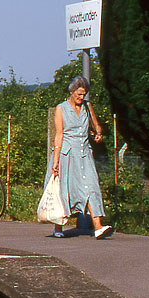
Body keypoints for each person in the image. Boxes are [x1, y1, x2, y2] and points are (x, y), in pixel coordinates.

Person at [46, 76, 113, 239]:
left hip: (85, 154)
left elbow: (96, 125)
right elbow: (59, 135)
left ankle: (97, 227)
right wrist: (55, 162)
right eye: (79, 94)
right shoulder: (61, 108)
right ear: (72, 91)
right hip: (67, 155)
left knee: (91, 186)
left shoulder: (87, 106)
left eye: (84, 94)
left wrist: (98, 133)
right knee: (63, 189)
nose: (81, 98)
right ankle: (58, 228)